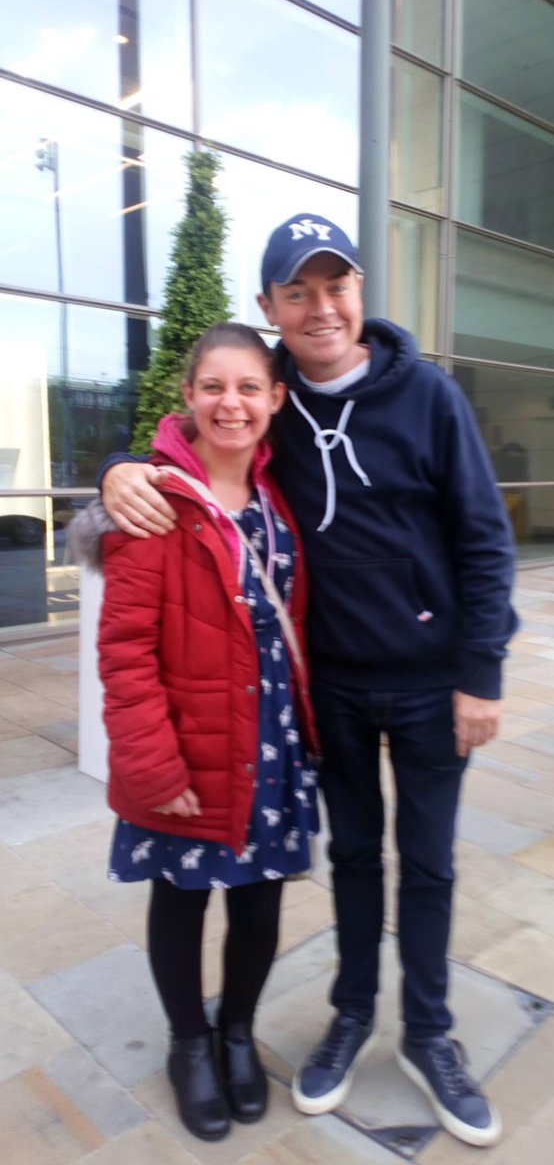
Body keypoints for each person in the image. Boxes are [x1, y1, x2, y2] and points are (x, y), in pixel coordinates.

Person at [97, 215, 517, 1149]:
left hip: (427, 682)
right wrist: (115, 469)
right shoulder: (277, 416)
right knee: (353, 863)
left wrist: (481, 671)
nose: (321, 307)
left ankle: (431, 1035)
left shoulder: (429, 400)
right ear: (270, 308)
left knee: (432, 864)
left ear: (360, 294)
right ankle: (349, 1017)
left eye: (336, 287)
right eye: (298, 292)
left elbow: (485, 540)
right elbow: (185, 458)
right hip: (324, 691)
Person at [71, 321, 319, 1143]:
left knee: (257, 904)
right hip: (186, 746)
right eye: (214, 385)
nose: (231, 403)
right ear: (187, 395)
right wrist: (149, 761)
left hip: (270, 745)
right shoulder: (152, 502)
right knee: (181, 903)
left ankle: (237, 1034)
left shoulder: (281, 497)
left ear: (276, 400)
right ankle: (188, 1044)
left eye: (249, 387)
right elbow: (125, 649)